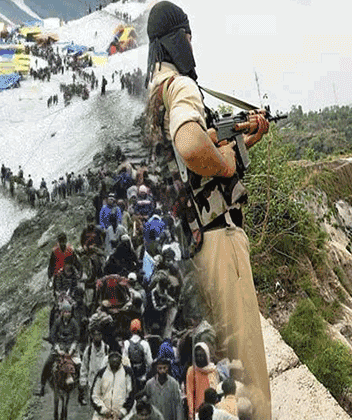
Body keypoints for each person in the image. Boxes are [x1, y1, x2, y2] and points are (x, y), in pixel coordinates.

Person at [146, 3, 271, 418]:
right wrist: (226, 161)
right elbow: (193, 147)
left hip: (196, 245)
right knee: (248, 370)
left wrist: (243, 141)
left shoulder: (154, 97)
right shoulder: (181, 87)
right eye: (187, 37)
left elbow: (193, 169)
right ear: (177, 39)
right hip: (220, 239)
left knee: (224, 376)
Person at [36, 301, 82, 398]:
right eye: (65, 312)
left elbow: (77, 337)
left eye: (69, 312)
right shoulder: (57, 322)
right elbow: (53, 336)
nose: (67, 314)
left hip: (71, 347)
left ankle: (81, 392)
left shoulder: (74, 323)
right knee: (48, 363)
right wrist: (57, 349)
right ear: (62, 312)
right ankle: (42, 386)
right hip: (59, 346)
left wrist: (72, 349)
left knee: (80, 366)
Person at [91, 351, 133, 420]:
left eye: (117, 357)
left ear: (121, 359)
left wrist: (122, 412)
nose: (114, 360)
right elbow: (94, 395)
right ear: (108, 359)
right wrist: (104, 410)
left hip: (122, 415)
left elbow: (131, 394)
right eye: (112, 357)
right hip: (103, 415)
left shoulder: (127, 372)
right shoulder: (101, 373)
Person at [186, 343, 220, 420]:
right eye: (197, 356)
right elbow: (189, 392)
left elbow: (216, 390)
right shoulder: (192, 371)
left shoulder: (213, 370)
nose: (199, 358)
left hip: (213, 409)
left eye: (201, 356)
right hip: (198, 411)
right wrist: (191, 412)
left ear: (206, 356)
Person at [122, 319, 153, 392]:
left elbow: (125, 363)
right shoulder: (145, 344)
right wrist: (146, 374)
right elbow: (149, 362)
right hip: (142, 376)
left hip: (130, 377)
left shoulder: (126, 343)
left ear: (130, 330)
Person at [81, 329, 108, 404]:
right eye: (95, 335)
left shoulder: (106, 349)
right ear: (92, 336)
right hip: (92, 382)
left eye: (99, 335)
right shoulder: (88, 350)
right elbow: (84, 366)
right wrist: (83, 382)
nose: (97, 337)